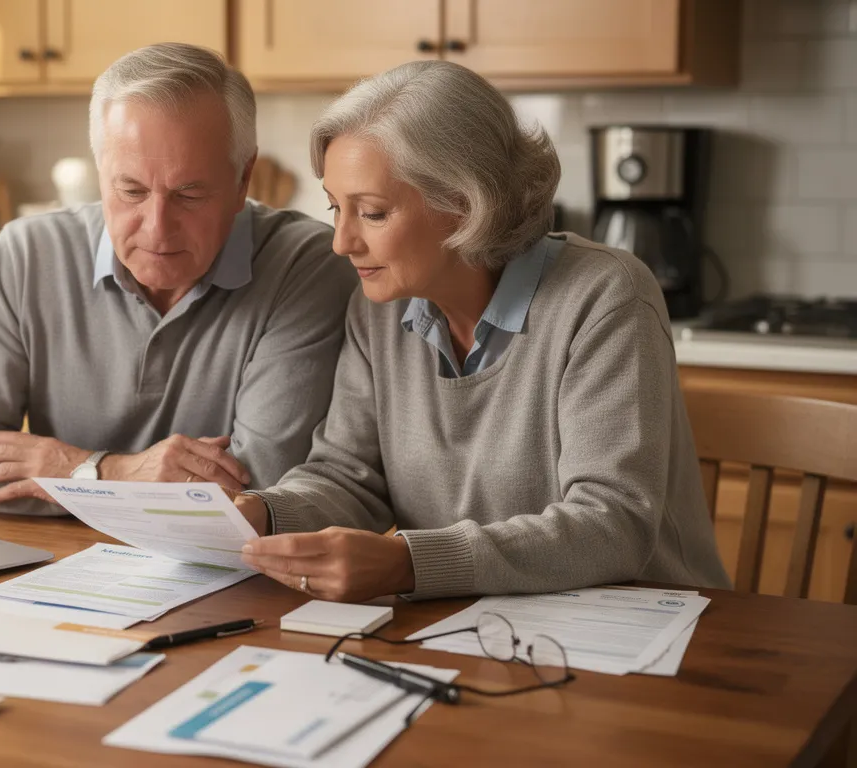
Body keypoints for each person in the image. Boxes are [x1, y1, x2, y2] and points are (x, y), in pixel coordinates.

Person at [233, 61, 730, 602]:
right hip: (476, 625)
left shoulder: (606, 297)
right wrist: (264, 512)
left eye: (372, 213)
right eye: (336, 208)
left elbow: (612, 524)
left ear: (465, 204)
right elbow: (349, 475)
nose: (341, 242)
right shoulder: (376, 307)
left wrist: (410, 564)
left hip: (645, 624)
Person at [0, 43, 357, 515]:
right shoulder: (27, 254)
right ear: (100, 172)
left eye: (189, 194)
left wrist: (62, 473)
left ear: (243, 178)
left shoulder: (306, 267)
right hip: (48, 566)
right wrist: (106, 472)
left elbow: (251, 492)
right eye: (131, 191)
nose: (157, 227)